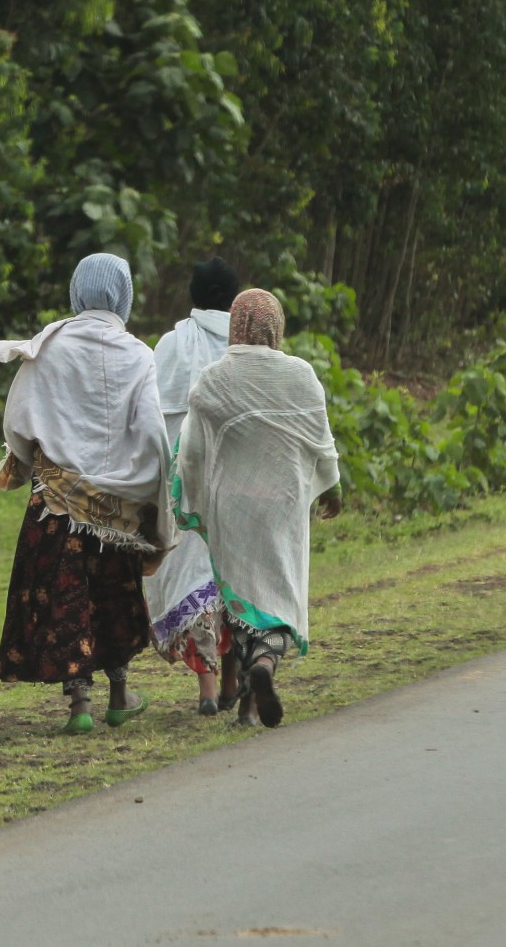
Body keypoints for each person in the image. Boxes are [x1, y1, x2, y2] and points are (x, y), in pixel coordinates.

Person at [0, 253, 174, 735]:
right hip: (115, 511)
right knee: (113, 596)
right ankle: (120, 693)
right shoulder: (138, 355)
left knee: (70, 601)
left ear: (76, 291)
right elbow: (152, 432)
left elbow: (17, 420)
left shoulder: (48, 347)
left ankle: (79, 705)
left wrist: (27, 462)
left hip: (57, 504)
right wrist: (147, 489)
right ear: (124, 295)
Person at [174, 289, 342, 728]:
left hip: (233, 508)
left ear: (236, 326)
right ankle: (264, 668)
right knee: (280, 593)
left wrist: (190, 499)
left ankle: (249, 697)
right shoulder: (302, 375)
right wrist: (332, 489)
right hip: (283, 508)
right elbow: (321, 441)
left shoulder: (216, 377)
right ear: (276, 327)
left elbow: (190, 450)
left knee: (241, 597)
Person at [143, 256, 240, 715]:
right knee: (238, 577)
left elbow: (152, 418)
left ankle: (206, 687)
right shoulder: (250, 346)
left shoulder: (170, 344)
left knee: (194, 573)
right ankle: (235, 682)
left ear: (194, 297)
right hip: (240, 485)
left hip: (186, 484)